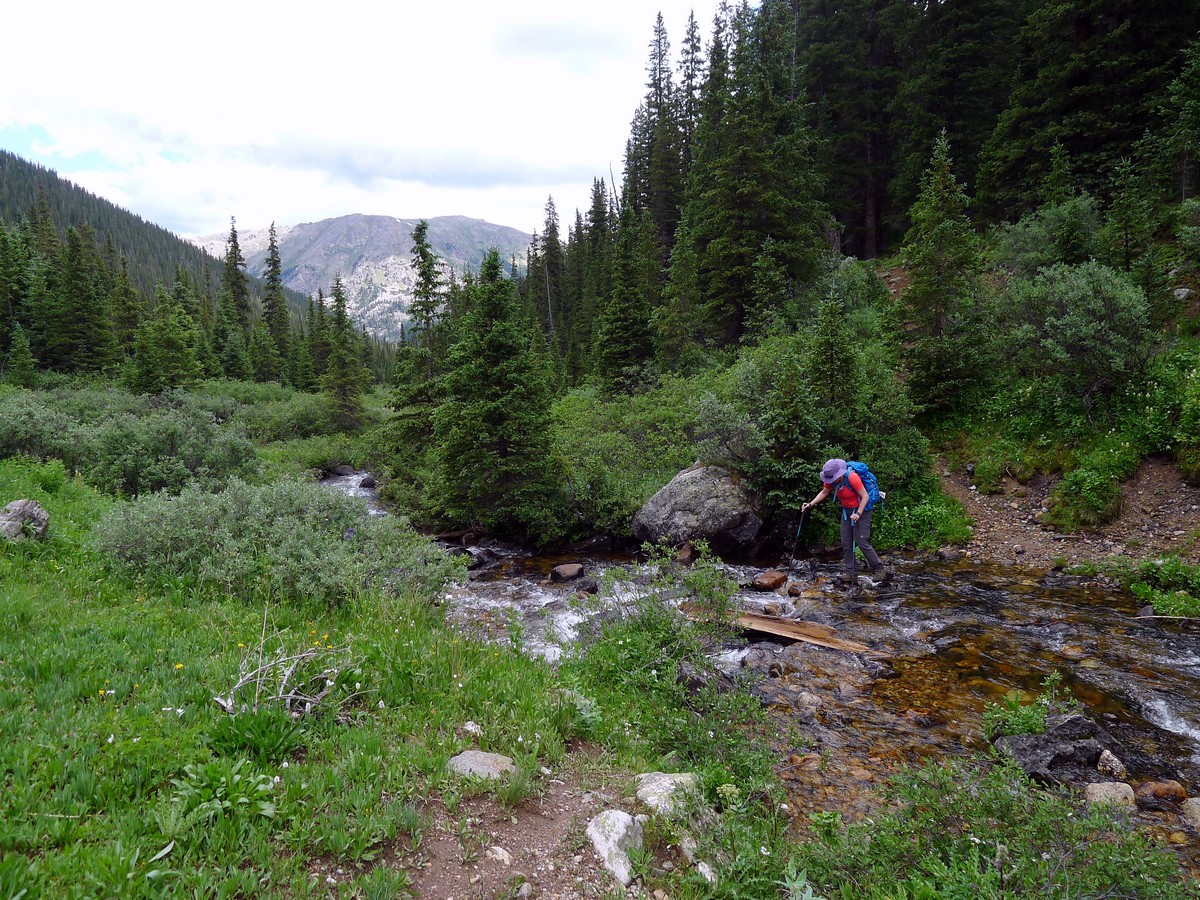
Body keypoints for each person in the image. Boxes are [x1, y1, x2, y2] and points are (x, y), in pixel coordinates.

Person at [801, 457, 893, 584]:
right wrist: (810, 504)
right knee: (846, 542)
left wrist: (859, 514)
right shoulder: (831, 480)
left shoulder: (852, 477)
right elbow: (824, 492)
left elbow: (865, 496)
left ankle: (879, 569)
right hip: (847, 512)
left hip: (862, 509)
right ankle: (851, 573)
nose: (831, 481)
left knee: (862, 541)